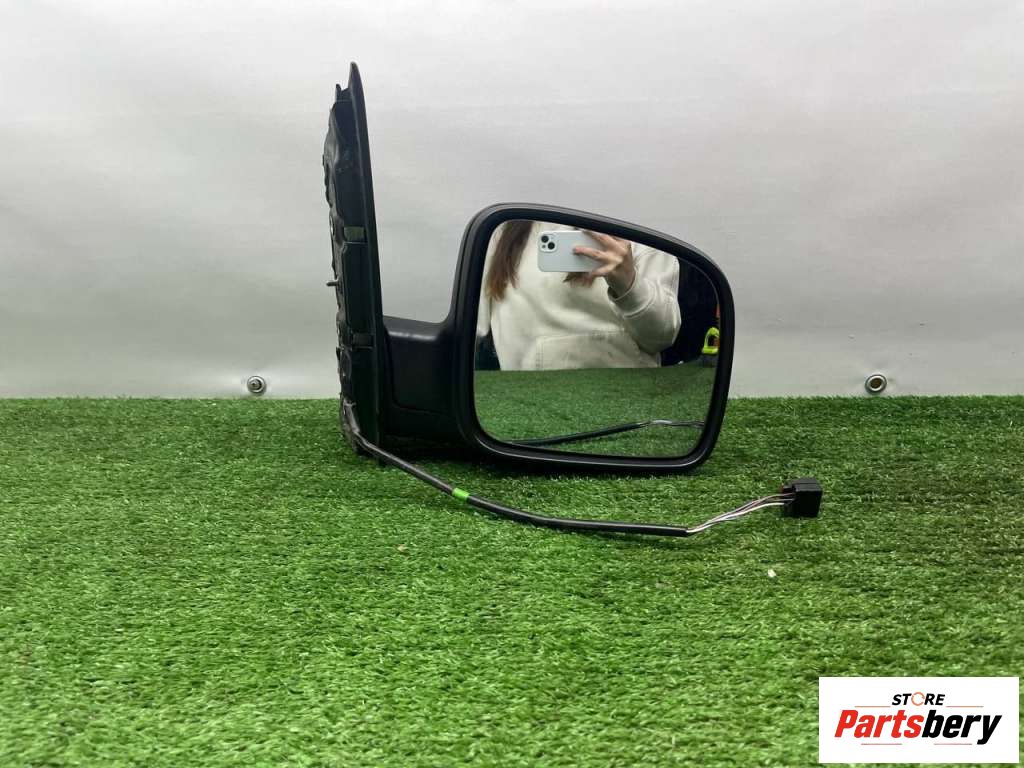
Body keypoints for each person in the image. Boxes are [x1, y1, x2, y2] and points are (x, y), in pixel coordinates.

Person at [476, 220, 681, 370]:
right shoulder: (500, 231)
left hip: (629, 395)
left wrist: (629, 284)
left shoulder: (639, 228)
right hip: (525, 398)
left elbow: (661, 336)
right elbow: (472, 327)